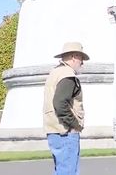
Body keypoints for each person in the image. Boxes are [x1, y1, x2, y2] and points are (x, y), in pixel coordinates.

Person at [43, 41, 90, 175]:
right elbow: (60, 103)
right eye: (81, 58)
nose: (82, 62)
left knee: (61, 170)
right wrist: (74, 125)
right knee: (68, 171)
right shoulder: (67, 75)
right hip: (65, 132)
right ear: (74, 57)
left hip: (54, 130)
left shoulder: (55, 73)